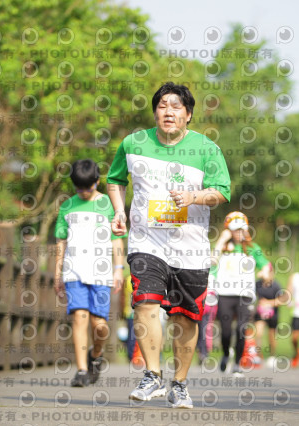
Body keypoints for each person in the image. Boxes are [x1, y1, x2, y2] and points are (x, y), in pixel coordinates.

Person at [107, 82, 231, 409]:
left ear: (188, 115)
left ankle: (179, 384)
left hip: (190, 247)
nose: (169, 112)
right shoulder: (133, 143)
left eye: (176, 107)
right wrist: (119, 211)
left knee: (185, 318)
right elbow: (115, 180)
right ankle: (152, 375)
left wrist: (194, 197)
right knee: (144, 303)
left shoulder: (206, 148)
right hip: (146, 241)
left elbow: (221, 191)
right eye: (162, 105)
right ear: (155, 112)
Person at [53, 159, 126, 387]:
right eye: (79, 189)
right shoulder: (67, 207)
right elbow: (61, 242)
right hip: (73, 271)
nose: (84, 192)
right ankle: (82, 370)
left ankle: (96, 354)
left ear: (97, 182)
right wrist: (57, 273)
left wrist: (118, 269)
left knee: (100, 325)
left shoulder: (108, 205)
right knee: (79, 318)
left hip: (101, 274)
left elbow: (117, 240)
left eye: (88, 187)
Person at [211, 211, 273, 376]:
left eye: (241, 229)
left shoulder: (252, 248)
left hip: (244, 295)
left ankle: (238, 363)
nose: (239, 232)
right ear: (228, 230)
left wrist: (265, 272)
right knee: (225, 331)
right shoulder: (223, 248)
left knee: (241, 329)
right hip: (224, 293)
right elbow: (211, 262)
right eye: (235, 229)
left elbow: (266, 266)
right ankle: (226, 354)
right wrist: (221, 240)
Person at [254, 277, 287, 368]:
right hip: (260, 313)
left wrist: (269, 303)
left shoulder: (276, 285)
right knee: (258, 333)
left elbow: (283, 298)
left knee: (271, 335)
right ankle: (258, 356)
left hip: (273, 314)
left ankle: (272, 355)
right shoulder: (257, 284)